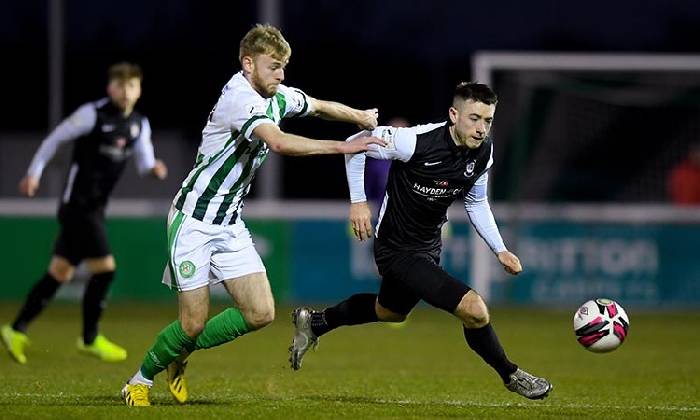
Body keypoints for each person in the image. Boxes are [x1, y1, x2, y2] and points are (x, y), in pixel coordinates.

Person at [120, 24, 382, 407]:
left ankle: (181, 351)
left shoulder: (276, 95)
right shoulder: (240, 99)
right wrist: (343, 146)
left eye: (283, 67)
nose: (281, 74)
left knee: (261, 313)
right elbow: (278, 142)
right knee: (191, 323)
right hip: (193, 220)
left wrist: (358, 115)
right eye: (273, 66)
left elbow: (320, 106)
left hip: (229, 224)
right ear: (248, 64)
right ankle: (139, 380)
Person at [289, 82, 553, 400]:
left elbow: (476, 202)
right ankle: (511, 375)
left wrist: (500, 249)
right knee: (475, 309)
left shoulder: (483, 152)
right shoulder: (413, 141)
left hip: (428, 248)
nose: (481, 128)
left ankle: (315, 323)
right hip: (394, 249)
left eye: (488, 120)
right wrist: (358, 201)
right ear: (454, 114)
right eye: (474, 118)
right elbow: (355, 142)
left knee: (389, 312)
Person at [1, 62, 168, 365]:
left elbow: (145, 162)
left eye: (132, 86)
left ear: (139, 89)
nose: (126, 92)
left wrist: (154, 169)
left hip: (95, 209)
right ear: (110, 88)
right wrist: (34, 173)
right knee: (106, 271)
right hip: (77, 206)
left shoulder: (140, 124)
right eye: (120, 86)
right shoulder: (92, 114)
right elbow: (54, 139)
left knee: (59, 273)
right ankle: (89, 339)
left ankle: (16, 329)